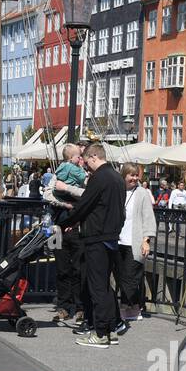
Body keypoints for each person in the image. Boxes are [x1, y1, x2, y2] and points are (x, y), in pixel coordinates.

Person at [58, 143, 125, 348]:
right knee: (105, 286)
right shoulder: (117, 178)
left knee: (97, 288)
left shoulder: (99, 178)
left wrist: (64, 224)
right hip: (112, 237)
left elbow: (85, 204)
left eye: (87, 162)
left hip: (96, 237)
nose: (86, 167)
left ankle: (100, 333)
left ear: (94, 157)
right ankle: (112, 330)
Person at [44, 143, 87, 324]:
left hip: (78, 228)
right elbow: (48, 195)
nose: (81, 159)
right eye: (79, 156)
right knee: (62, 269)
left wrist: (70, 193)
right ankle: (63, 306)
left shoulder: (85, 177)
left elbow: (89, 195)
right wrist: (66, 204)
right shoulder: (59, 174)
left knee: (78, 269)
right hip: (58, 229)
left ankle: (79, 307)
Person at [115, 162, 155, 324]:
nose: (134, 178)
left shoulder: (142, 193)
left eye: (136, 175)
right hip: (118, 240)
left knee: (130, 277)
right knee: (120, 275)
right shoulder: (118, 191)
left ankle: (126, 308)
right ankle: (134, 308)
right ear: (124, 175)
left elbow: (148, 217)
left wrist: (146, 240)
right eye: (131, 175)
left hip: (134, 241)